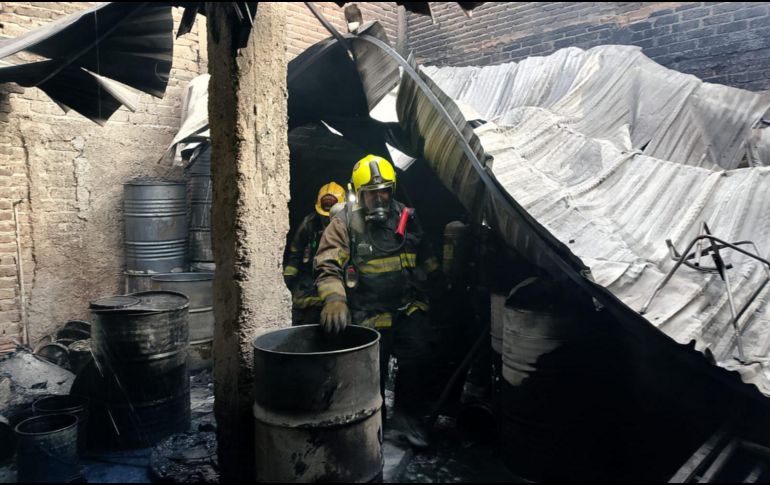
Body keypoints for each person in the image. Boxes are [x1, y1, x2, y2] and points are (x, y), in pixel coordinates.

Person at [314, 155, 442, 448]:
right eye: (371, 192)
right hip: (368, 314)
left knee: (419, 357)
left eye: (385, 190)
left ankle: (407, 420)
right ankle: (373, 427)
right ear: (358, 194)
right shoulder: (344, 221)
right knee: (373, 373)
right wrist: (335, 299)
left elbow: (426, 259)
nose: (379, 197)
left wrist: (440, 289)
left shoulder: (407, 217)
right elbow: (327, 264)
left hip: (407, 308)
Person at [283, 182, 346, 326]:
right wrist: (287, 283)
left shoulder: (350, 225)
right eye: (324, 216)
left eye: (331, 216)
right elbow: (295, 253)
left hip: (338, 276)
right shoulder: (309, 223)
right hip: (310, 276)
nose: (327, 220)